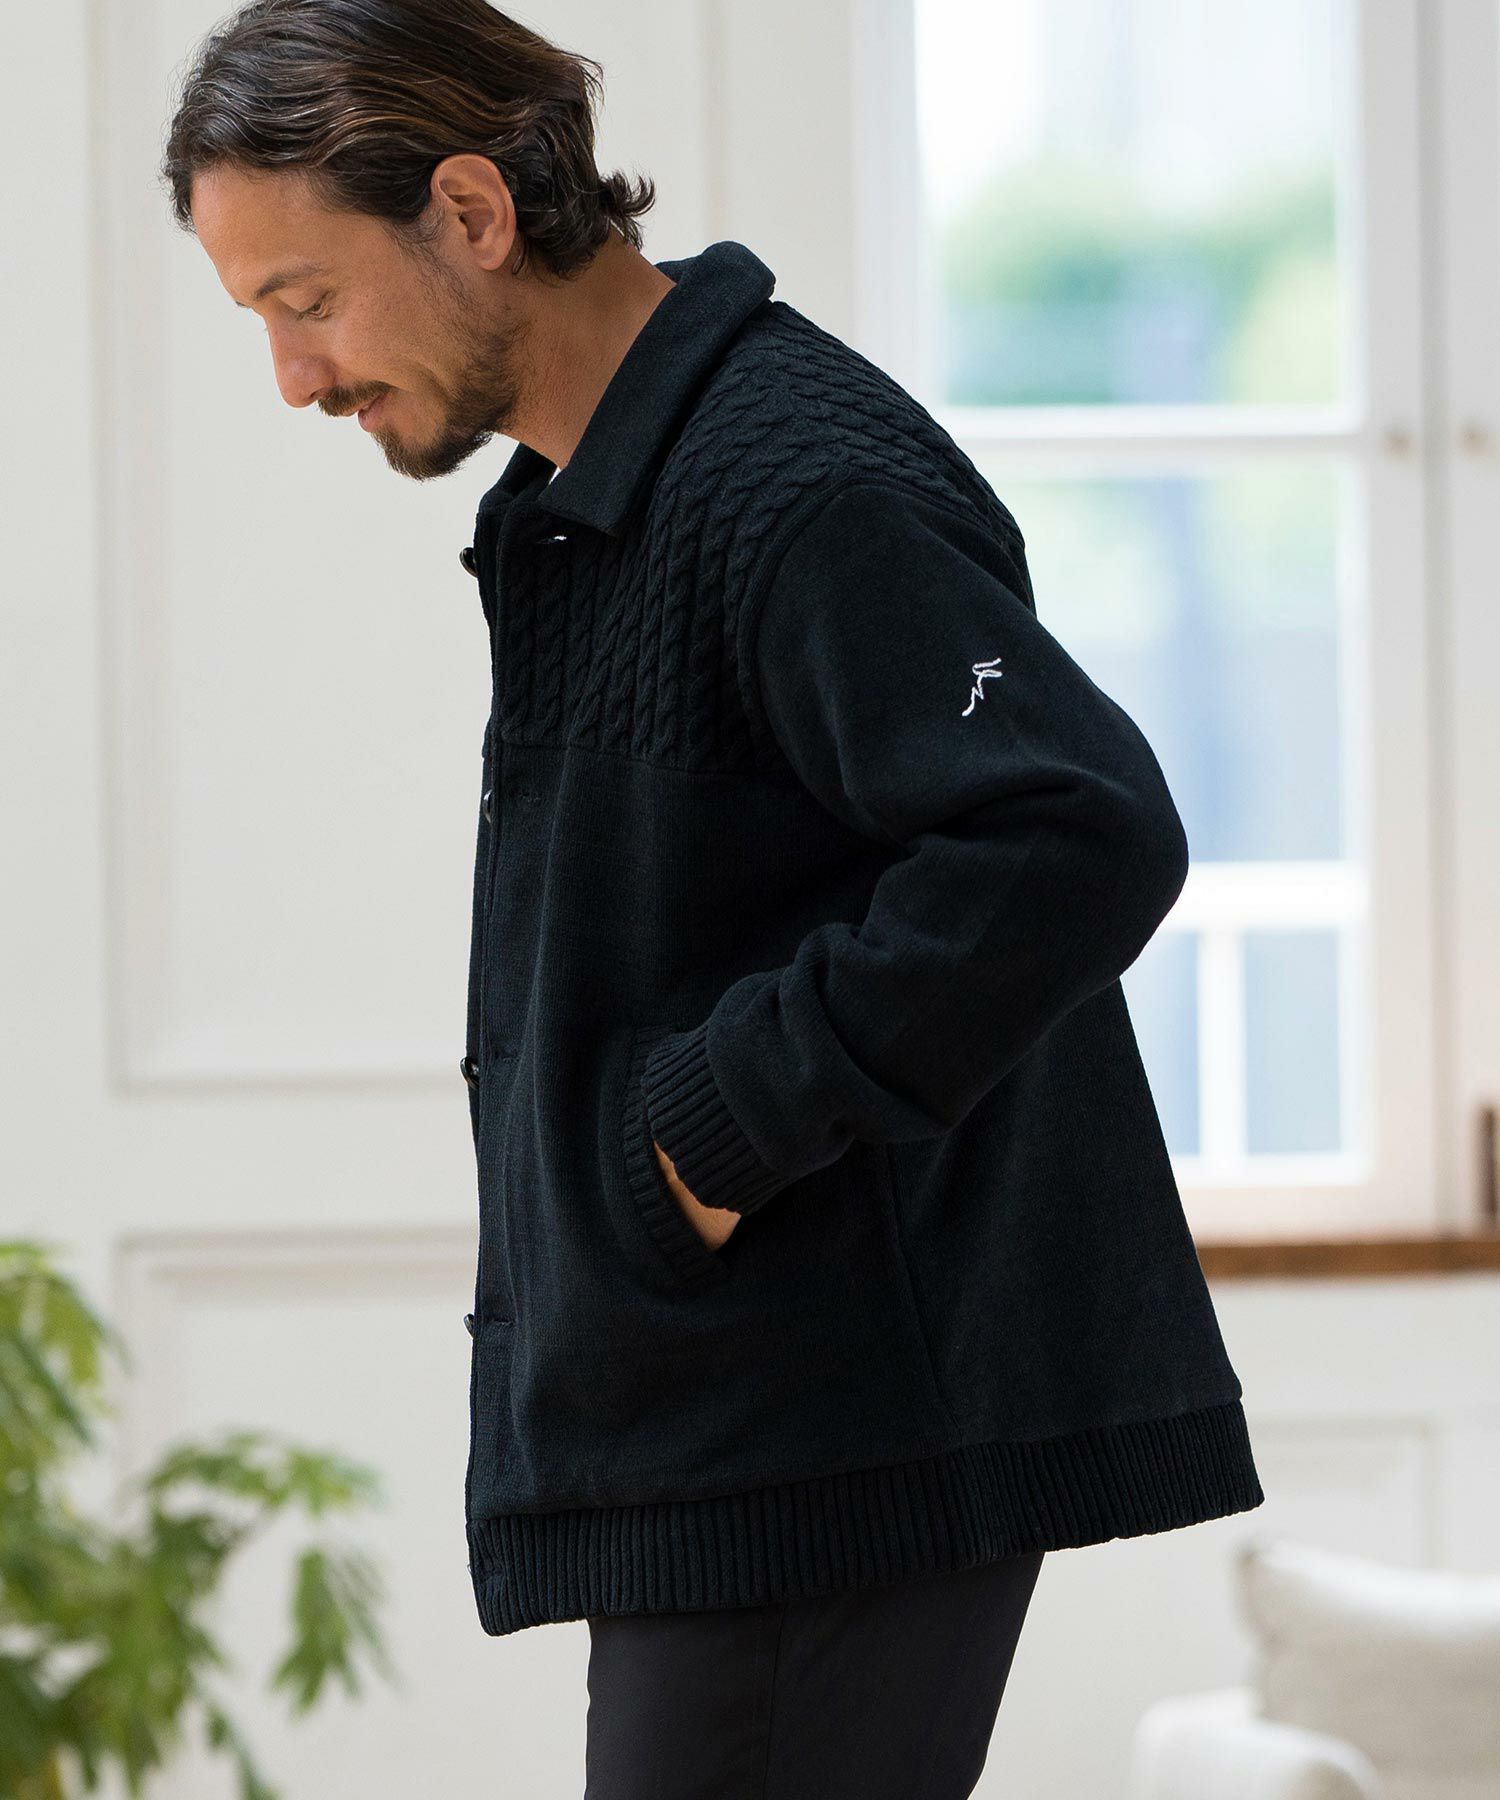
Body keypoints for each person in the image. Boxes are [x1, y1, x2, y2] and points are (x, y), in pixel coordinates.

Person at [163, 3, 1264, 1794]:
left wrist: (706, 1135)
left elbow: (1077, 828)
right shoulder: (608, 488)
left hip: (827, 1446)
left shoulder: (792, 480)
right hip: (748, 1435)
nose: (296, 377)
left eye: (308, 300)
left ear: (470, 211)